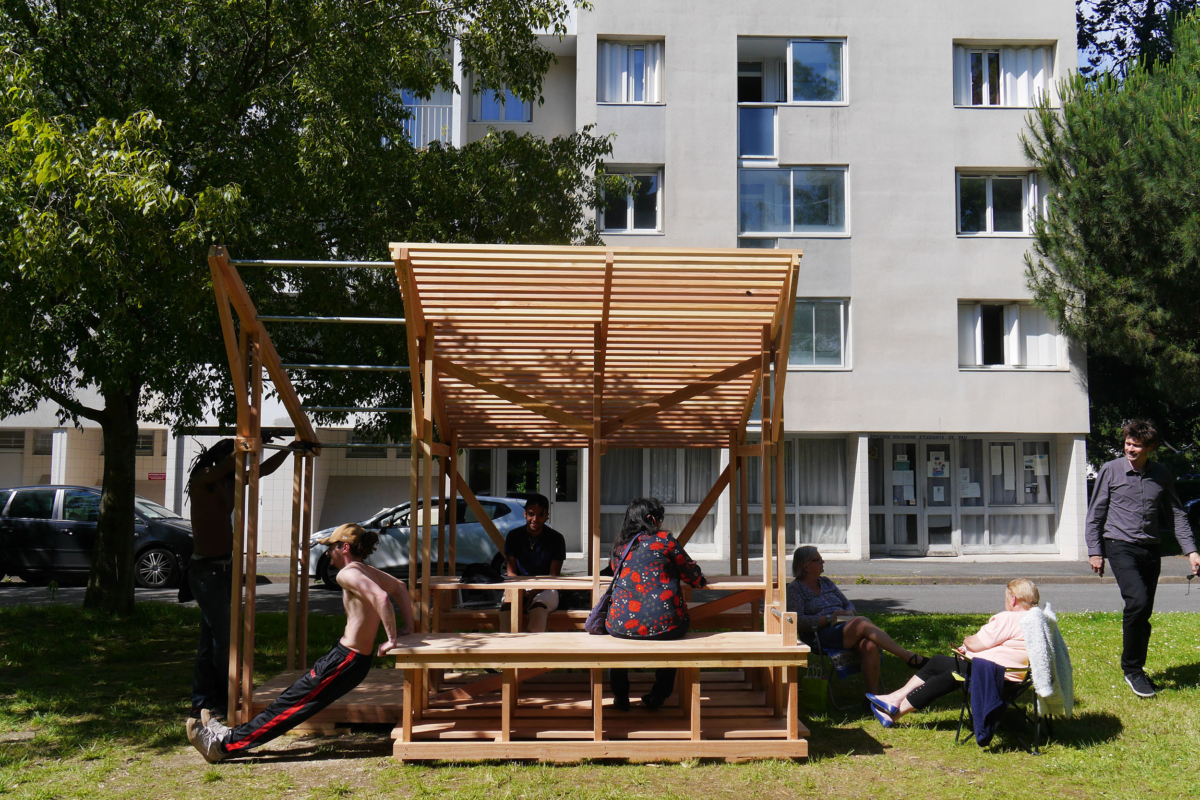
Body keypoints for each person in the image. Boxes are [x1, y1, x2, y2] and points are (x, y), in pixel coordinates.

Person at [186, 523, 414, 762]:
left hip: (347, 660)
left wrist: (391, 640)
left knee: (290, 706)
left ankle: (223, 746)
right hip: (350, 659)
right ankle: (232, 735)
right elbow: (399, 587)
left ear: (345, 547)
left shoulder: (348, 573)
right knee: (290, 701)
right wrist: (408, 626)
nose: (327, 553)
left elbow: (381, 597)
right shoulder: (366, 570)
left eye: (332, 548)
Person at [186, 437, 308, 719]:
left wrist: (289, 449)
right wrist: (251, 442)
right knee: (223, 638)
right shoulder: (203, 479)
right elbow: (230, 463)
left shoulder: (231, 481)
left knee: (211, 639)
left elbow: (263, 470)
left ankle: (201, 699)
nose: (245, 461)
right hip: (205, 571)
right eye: (240, 455)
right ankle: (219, 698)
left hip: (225, 569)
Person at [1086, 419, 1200, 698]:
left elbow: (1176, 514)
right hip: (1119, 545)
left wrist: (1191, 550)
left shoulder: (1161, 474)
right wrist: (1095, 551)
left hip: (1151, 549)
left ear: (1150, 447)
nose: (1130, 448)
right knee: (1136, 600)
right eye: (1128, 443)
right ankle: (1132, 669)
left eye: (1136, 444)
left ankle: (1137, 669)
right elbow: (1096, 512)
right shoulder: (1110, 471)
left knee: (1144, 611)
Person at [865, 578, 1038, 727]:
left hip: (994, 675)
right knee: (948, 672)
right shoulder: (1037, 619)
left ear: (1013, 599)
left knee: (940, 663)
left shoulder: (1009, 618)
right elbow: (1010, 646)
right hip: (1018, 676)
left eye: (1006, 598)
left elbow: (976, 644)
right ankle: (893, 710)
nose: (1006, 602)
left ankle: (894, 701)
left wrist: (967, 642)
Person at [605, 497, 707, 711]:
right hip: (666, 625)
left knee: (615, 643)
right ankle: (659, 694)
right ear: (652, 519)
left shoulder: (619, 546)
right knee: (672, 632)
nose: (661, 523)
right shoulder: (665, 540)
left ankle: (621, 696)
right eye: (660, 518)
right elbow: (693, 576)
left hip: (621, 625)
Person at [786, 546, 926, 694]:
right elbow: (798, 621)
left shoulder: (826, 582)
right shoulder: (795, 589)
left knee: (870, 645)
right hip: (819, 633)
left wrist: (849, 611)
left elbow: (847, 603)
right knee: (861, 622)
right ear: (806, 566)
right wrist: (827, 618)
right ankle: (907, 656)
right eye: (818, 559)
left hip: (845, 625)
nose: (823, 562)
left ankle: (872, 698)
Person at [503, 493, 567, 632]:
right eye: (531, 514)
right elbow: (511, 572)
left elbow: (553, 576)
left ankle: (533, 651)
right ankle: (506, 650)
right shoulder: (514, 536)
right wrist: (521, 593)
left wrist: (532, 594)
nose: (535, 519)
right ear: (525, 514)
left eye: (540, 515)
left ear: (547, 516)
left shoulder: (556, 538)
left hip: (546, 588)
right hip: (517, 586)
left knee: (538, 608)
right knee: (507, 608)